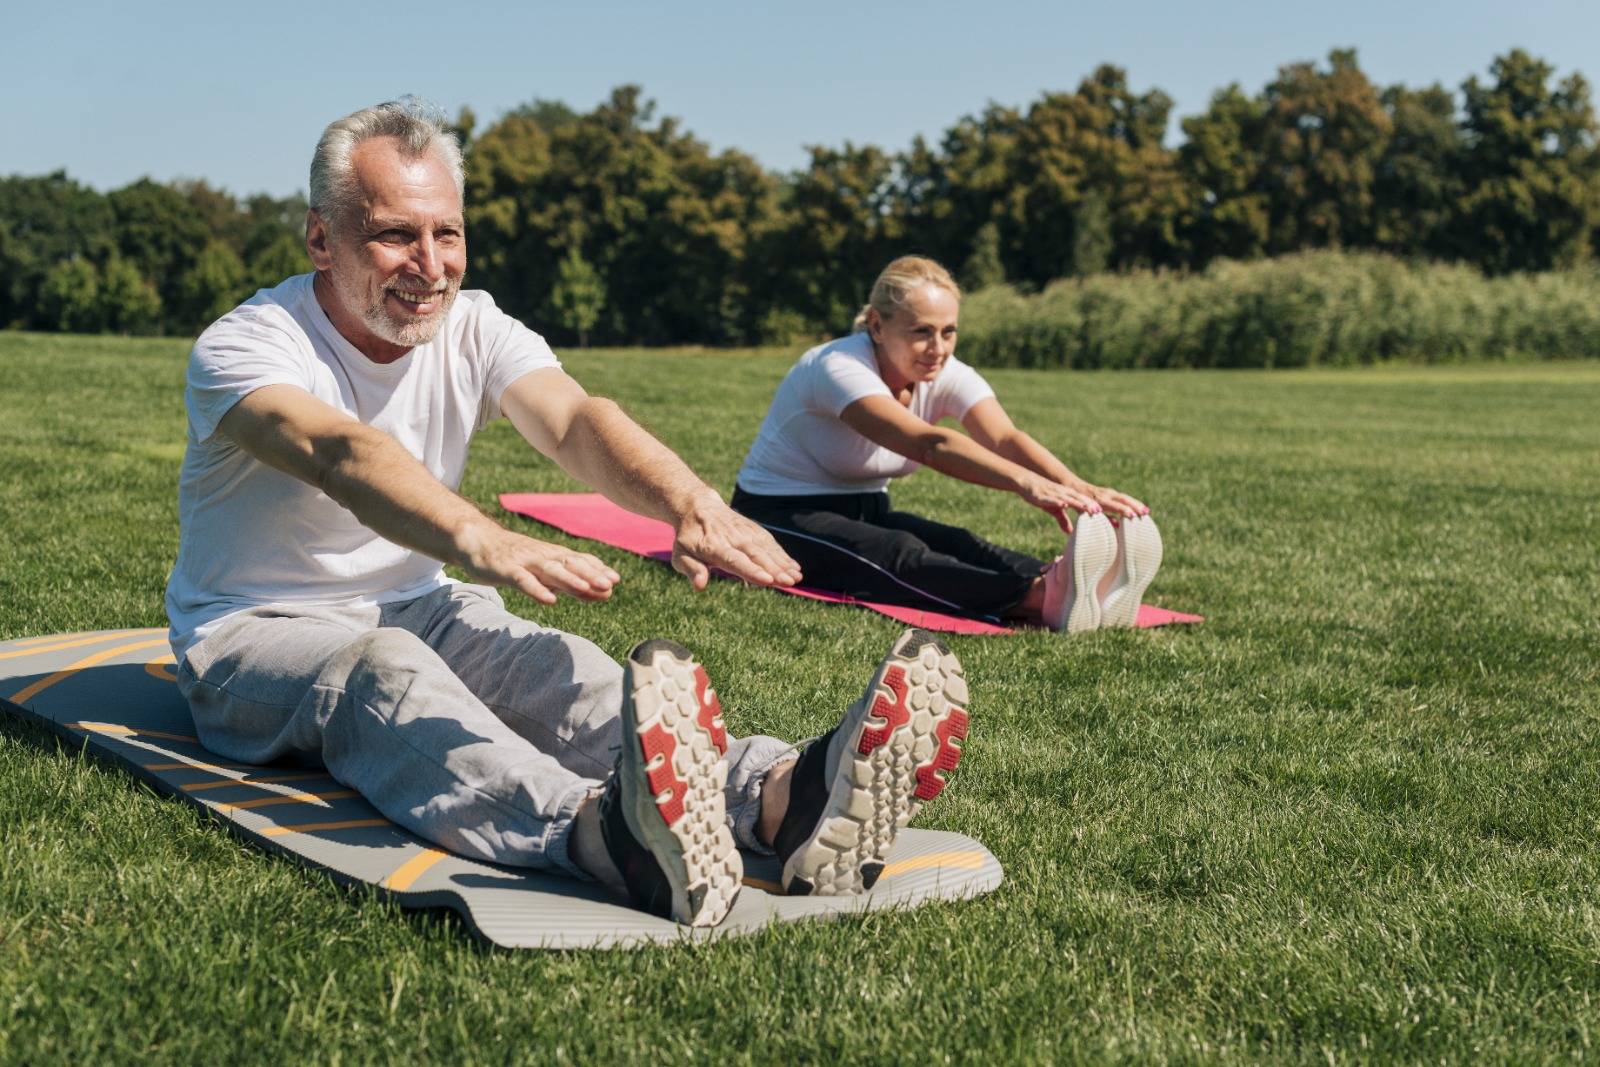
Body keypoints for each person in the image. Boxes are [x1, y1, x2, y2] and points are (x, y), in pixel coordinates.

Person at [164, 99, 970, 928]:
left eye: (448, 233)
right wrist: (477, 535)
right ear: (320, 238)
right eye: (395, 235)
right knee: (380, 676)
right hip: (252, 631)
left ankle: (779, 800)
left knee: (555, 669)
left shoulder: (472, 325)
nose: (431, 264)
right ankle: (600, 832)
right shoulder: (248, 345)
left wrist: (688, 503)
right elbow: (340, 452)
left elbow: (577, 419)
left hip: (421, 605)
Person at [731, 256, 1163, 634]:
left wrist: (1079, 488)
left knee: (959, 542)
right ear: (878, 326)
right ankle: (1035, 598)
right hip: (776, 516)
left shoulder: (942, 371)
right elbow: (929, 444)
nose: (937, 348)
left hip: (864, 508)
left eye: (949, 332)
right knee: (897, 554)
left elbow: (1004, 437)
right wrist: (1024, 483)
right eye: (921, 331)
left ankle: (1068, 582)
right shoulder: (837, 367)